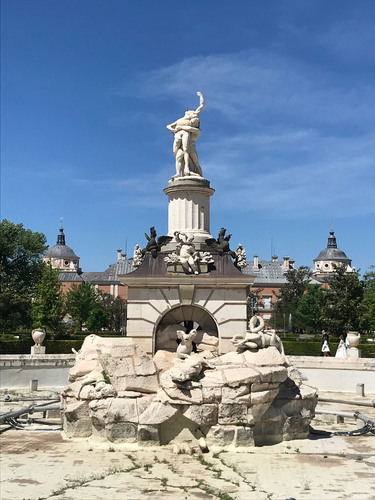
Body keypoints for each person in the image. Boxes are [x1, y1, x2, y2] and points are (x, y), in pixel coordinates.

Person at [166, 92, 204, 178]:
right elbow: (168, 125)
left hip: (186, 138)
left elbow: (201, 106)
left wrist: (201, 96)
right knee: (178, 155)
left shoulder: (192, 119)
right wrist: (172, 129)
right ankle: (178, 172)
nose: (188, 110)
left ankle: (188, 169)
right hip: (178, 136)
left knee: (190, 155)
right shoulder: (179, 120)